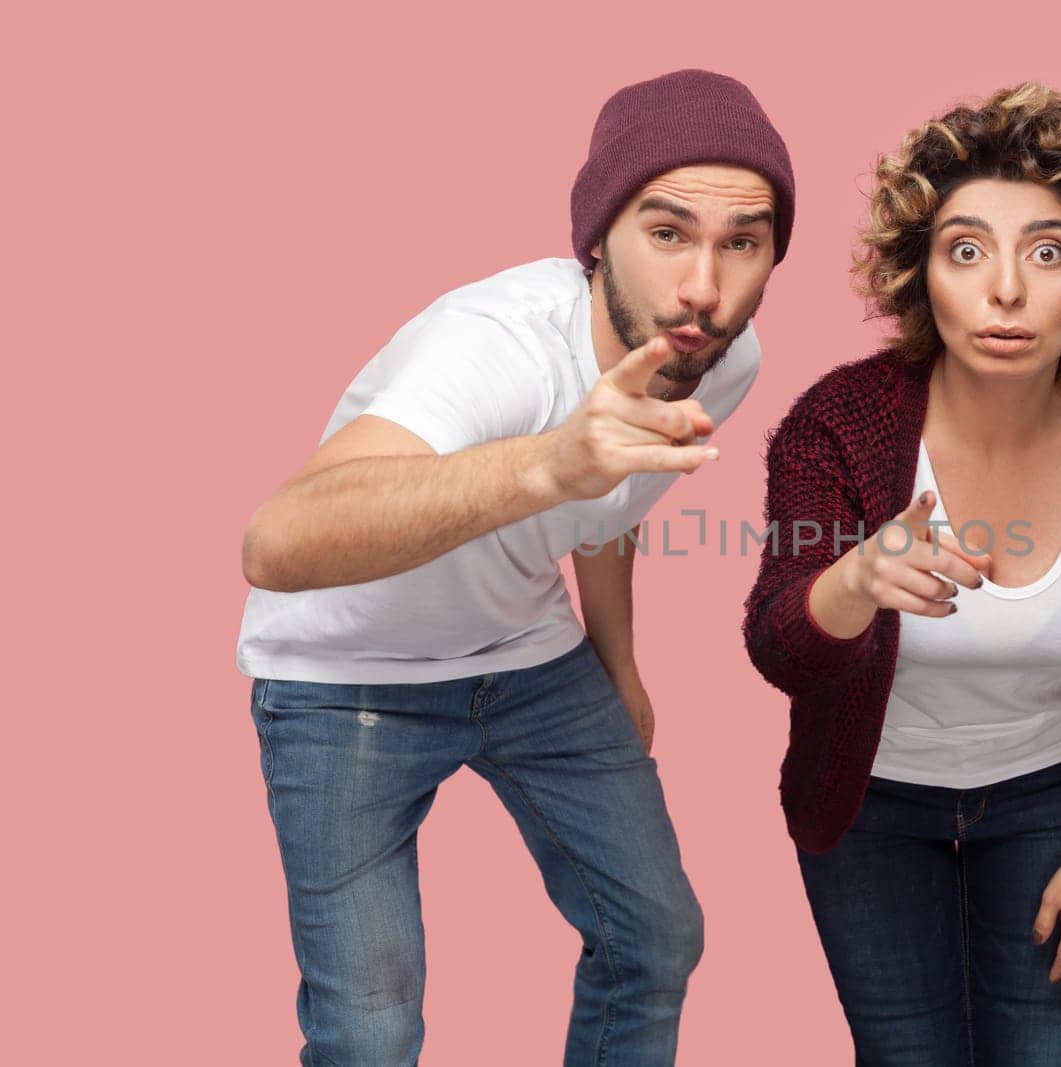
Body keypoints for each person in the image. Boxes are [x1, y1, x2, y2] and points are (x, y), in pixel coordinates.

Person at [237, 68, 794, 1065]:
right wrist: (546, 461)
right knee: (370, 1026)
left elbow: (611, 505)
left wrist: (618, 664)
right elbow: (277, 540)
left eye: (741, 243)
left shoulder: (722, 356)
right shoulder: (493, 346)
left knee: (657, 935)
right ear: (597, 240)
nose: (703, 286)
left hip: (530, 659)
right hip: (347, 680)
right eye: (667, 233)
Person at [742, 82, 1061, 1065]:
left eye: (1045, 252)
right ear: (921, 273)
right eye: (966, 250)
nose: (1004, 289)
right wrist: (854, 579)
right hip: (866, 801)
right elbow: (777, 645)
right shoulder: (837, 423)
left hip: (1054, 797)